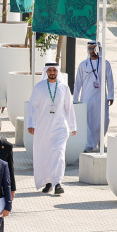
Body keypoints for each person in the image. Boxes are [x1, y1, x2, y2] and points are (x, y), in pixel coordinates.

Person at [27, 62, 77, 195]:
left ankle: (58, 183)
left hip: (60, 128)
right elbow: (32, 106)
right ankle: (48, 182)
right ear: (46, 72)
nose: (52, 73)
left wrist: (73, 126)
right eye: (49, 70)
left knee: (59, 153)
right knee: (46, 155)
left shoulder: (64, 88)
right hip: (43, 128)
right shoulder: (39, 87)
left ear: (57, 71)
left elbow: (69, 108)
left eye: (54, 70)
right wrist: (30, 124)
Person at [73, 40, 115, 152]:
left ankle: (100, 139)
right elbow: (78, 83)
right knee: (88, 121)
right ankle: (89, 143)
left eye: (94, 48)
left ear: (99, 49)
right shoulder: (83, 65)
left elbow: (109, 80)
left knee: (103, 120)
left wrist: (111, 95)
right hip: (86, 98)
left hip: (101, 98)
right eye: (90, 48)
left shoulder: (105, 63)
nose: (92, 51)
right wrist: (75, 99)